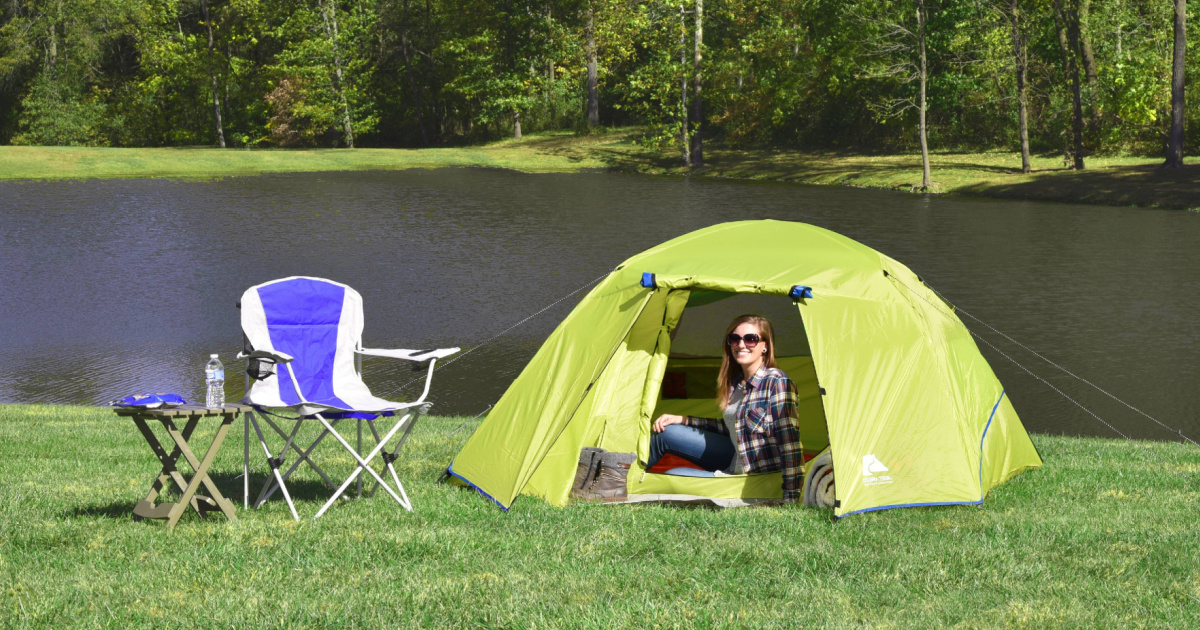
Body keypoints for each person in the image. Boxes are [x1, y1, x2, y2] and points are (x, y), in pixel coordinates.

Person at [649, 314, 803, 502]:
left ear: (765, 346)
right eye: (735, 339)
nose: (741, 344)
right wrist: (684, 419)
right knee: (667, 432)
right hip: (734, 457)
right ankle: (619, 478)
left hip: (752, 478)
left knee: (673, 474)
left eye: (751, 339)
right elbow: (733, 427)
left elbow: (789, 443)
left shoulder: (777, 382)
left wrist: (791, 496)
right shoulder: (738, 384)